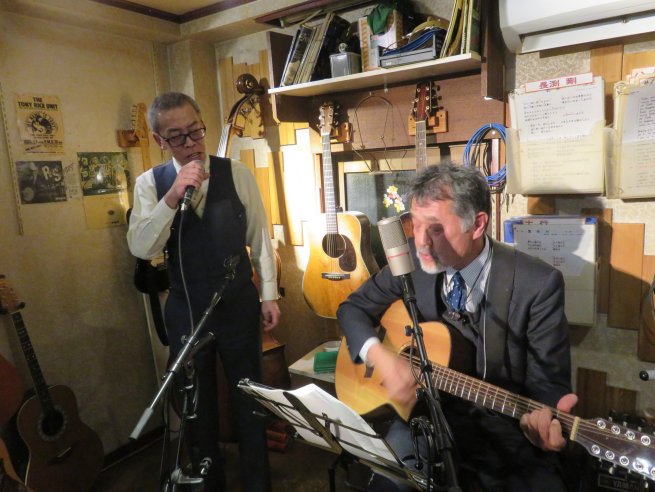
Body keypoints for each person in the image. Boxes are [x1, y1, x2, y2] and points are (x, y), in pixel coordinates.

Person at [337, 163, 577, 491]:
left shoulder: (537, 284)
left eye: (435, 229)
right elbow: (352, 309)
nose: (420, 243)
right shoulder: (409, 262)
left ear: (477, 225)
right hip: (421, 416)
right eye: (414, 225)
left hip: (503, 427)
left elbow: (548, 385)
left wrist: (543, 421)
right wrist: (380, 357)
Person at [126, 91, 280, 491]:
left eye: (195, 131)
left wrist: (269, 294)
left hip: (238, 303)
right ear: (160, 141)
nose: (191, 143)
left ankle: (258, 484)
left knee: (251, 401)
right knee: (197, 409)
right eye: (177, 136)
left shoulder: (237, 174)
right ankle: (209, 483)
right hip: (187, 308)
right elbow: (142, 247)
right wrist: (172, 195)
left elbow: (260, 237)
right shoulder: (150, 184)